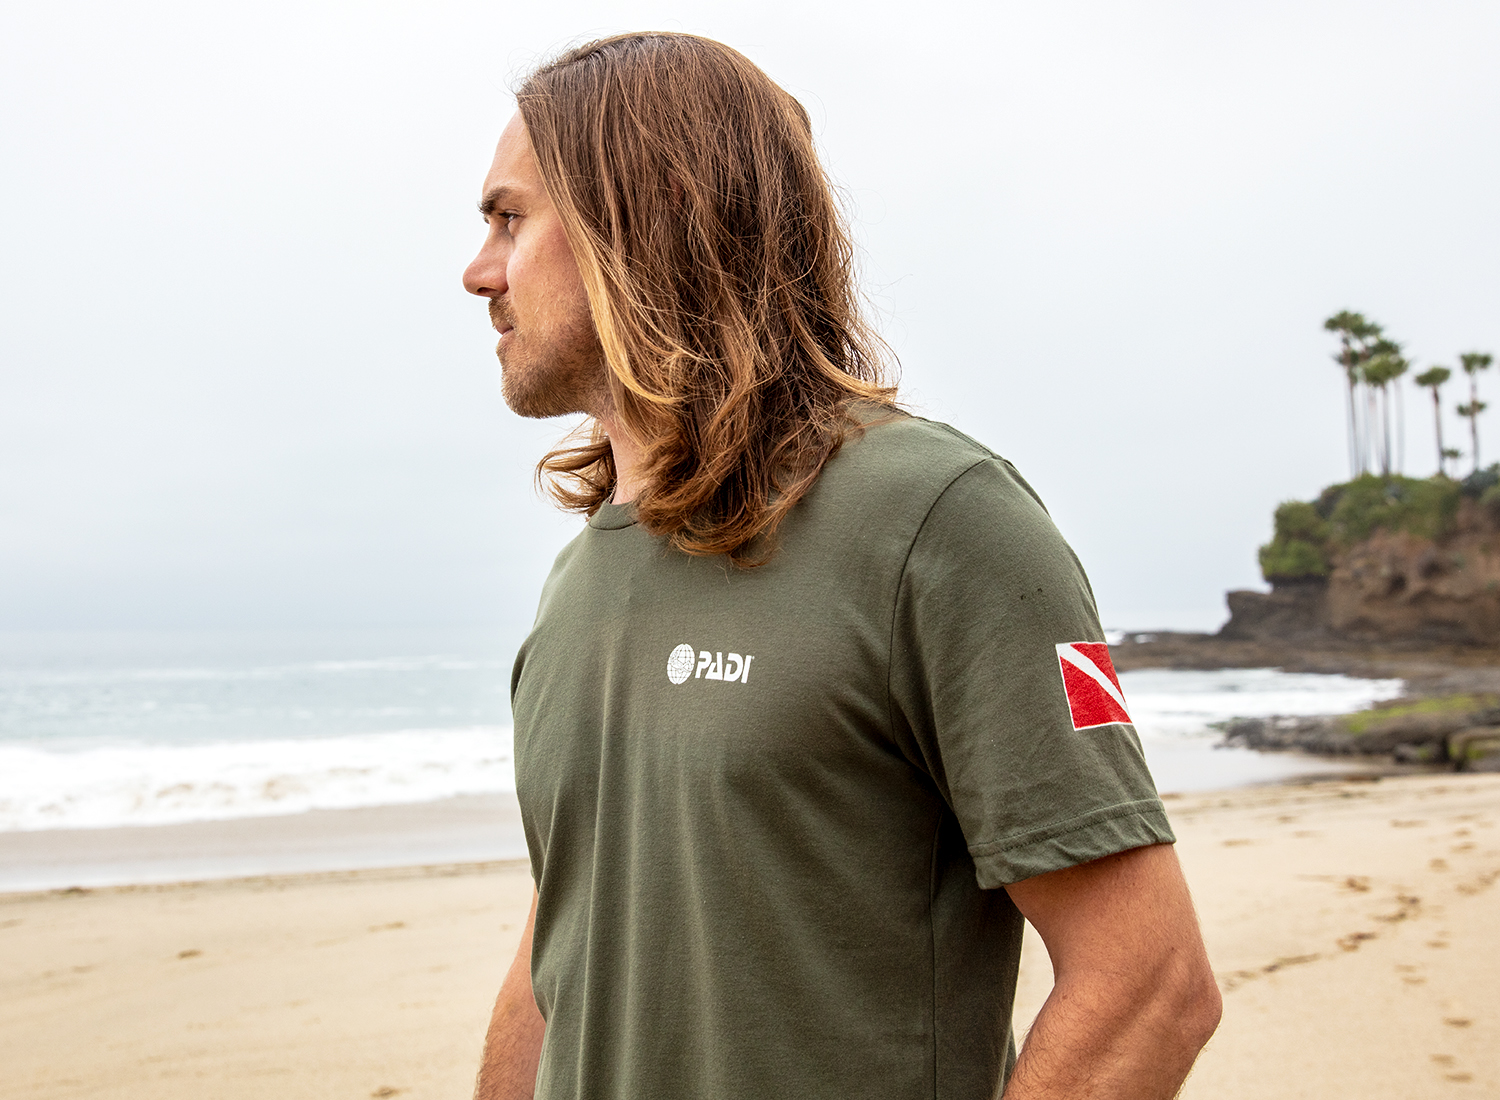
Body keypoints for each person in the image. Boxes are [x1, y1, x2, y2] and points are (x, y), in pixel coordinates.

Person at [461, 32, 1221, 1100]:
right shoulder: (576, 584)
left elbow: (1150, 984)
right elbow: (558, 956)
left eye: (508, 218)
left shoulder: (943, 521)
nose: (478, 270)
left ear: (655, 208)